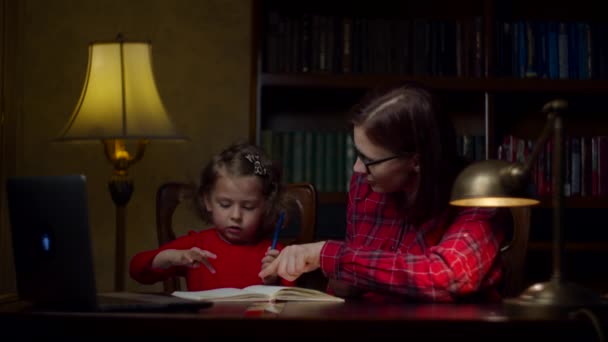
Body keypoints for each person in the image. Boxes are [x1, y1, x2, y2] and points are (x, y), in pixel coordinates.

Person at [259, 82, 509, 302]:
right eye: (357, 153)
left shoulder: (479, 194)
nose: (357, 168)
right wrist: (348, 277)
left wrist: (328, 255)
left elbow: (447, 277)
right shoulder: (366, 184)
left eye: (369, 159)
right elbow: (347, 282)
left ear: (416, 160)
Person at [130, 142, 294, 291]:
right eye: (225, 204)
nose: (236, 216)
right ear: (207, 200)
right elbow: (136, 270)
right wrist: (169, 257)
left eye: (248, 207)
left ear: (266, 206)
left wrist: (273, 281)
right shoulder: (196, 246)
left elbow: (293, 299)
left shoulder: (274, 252)